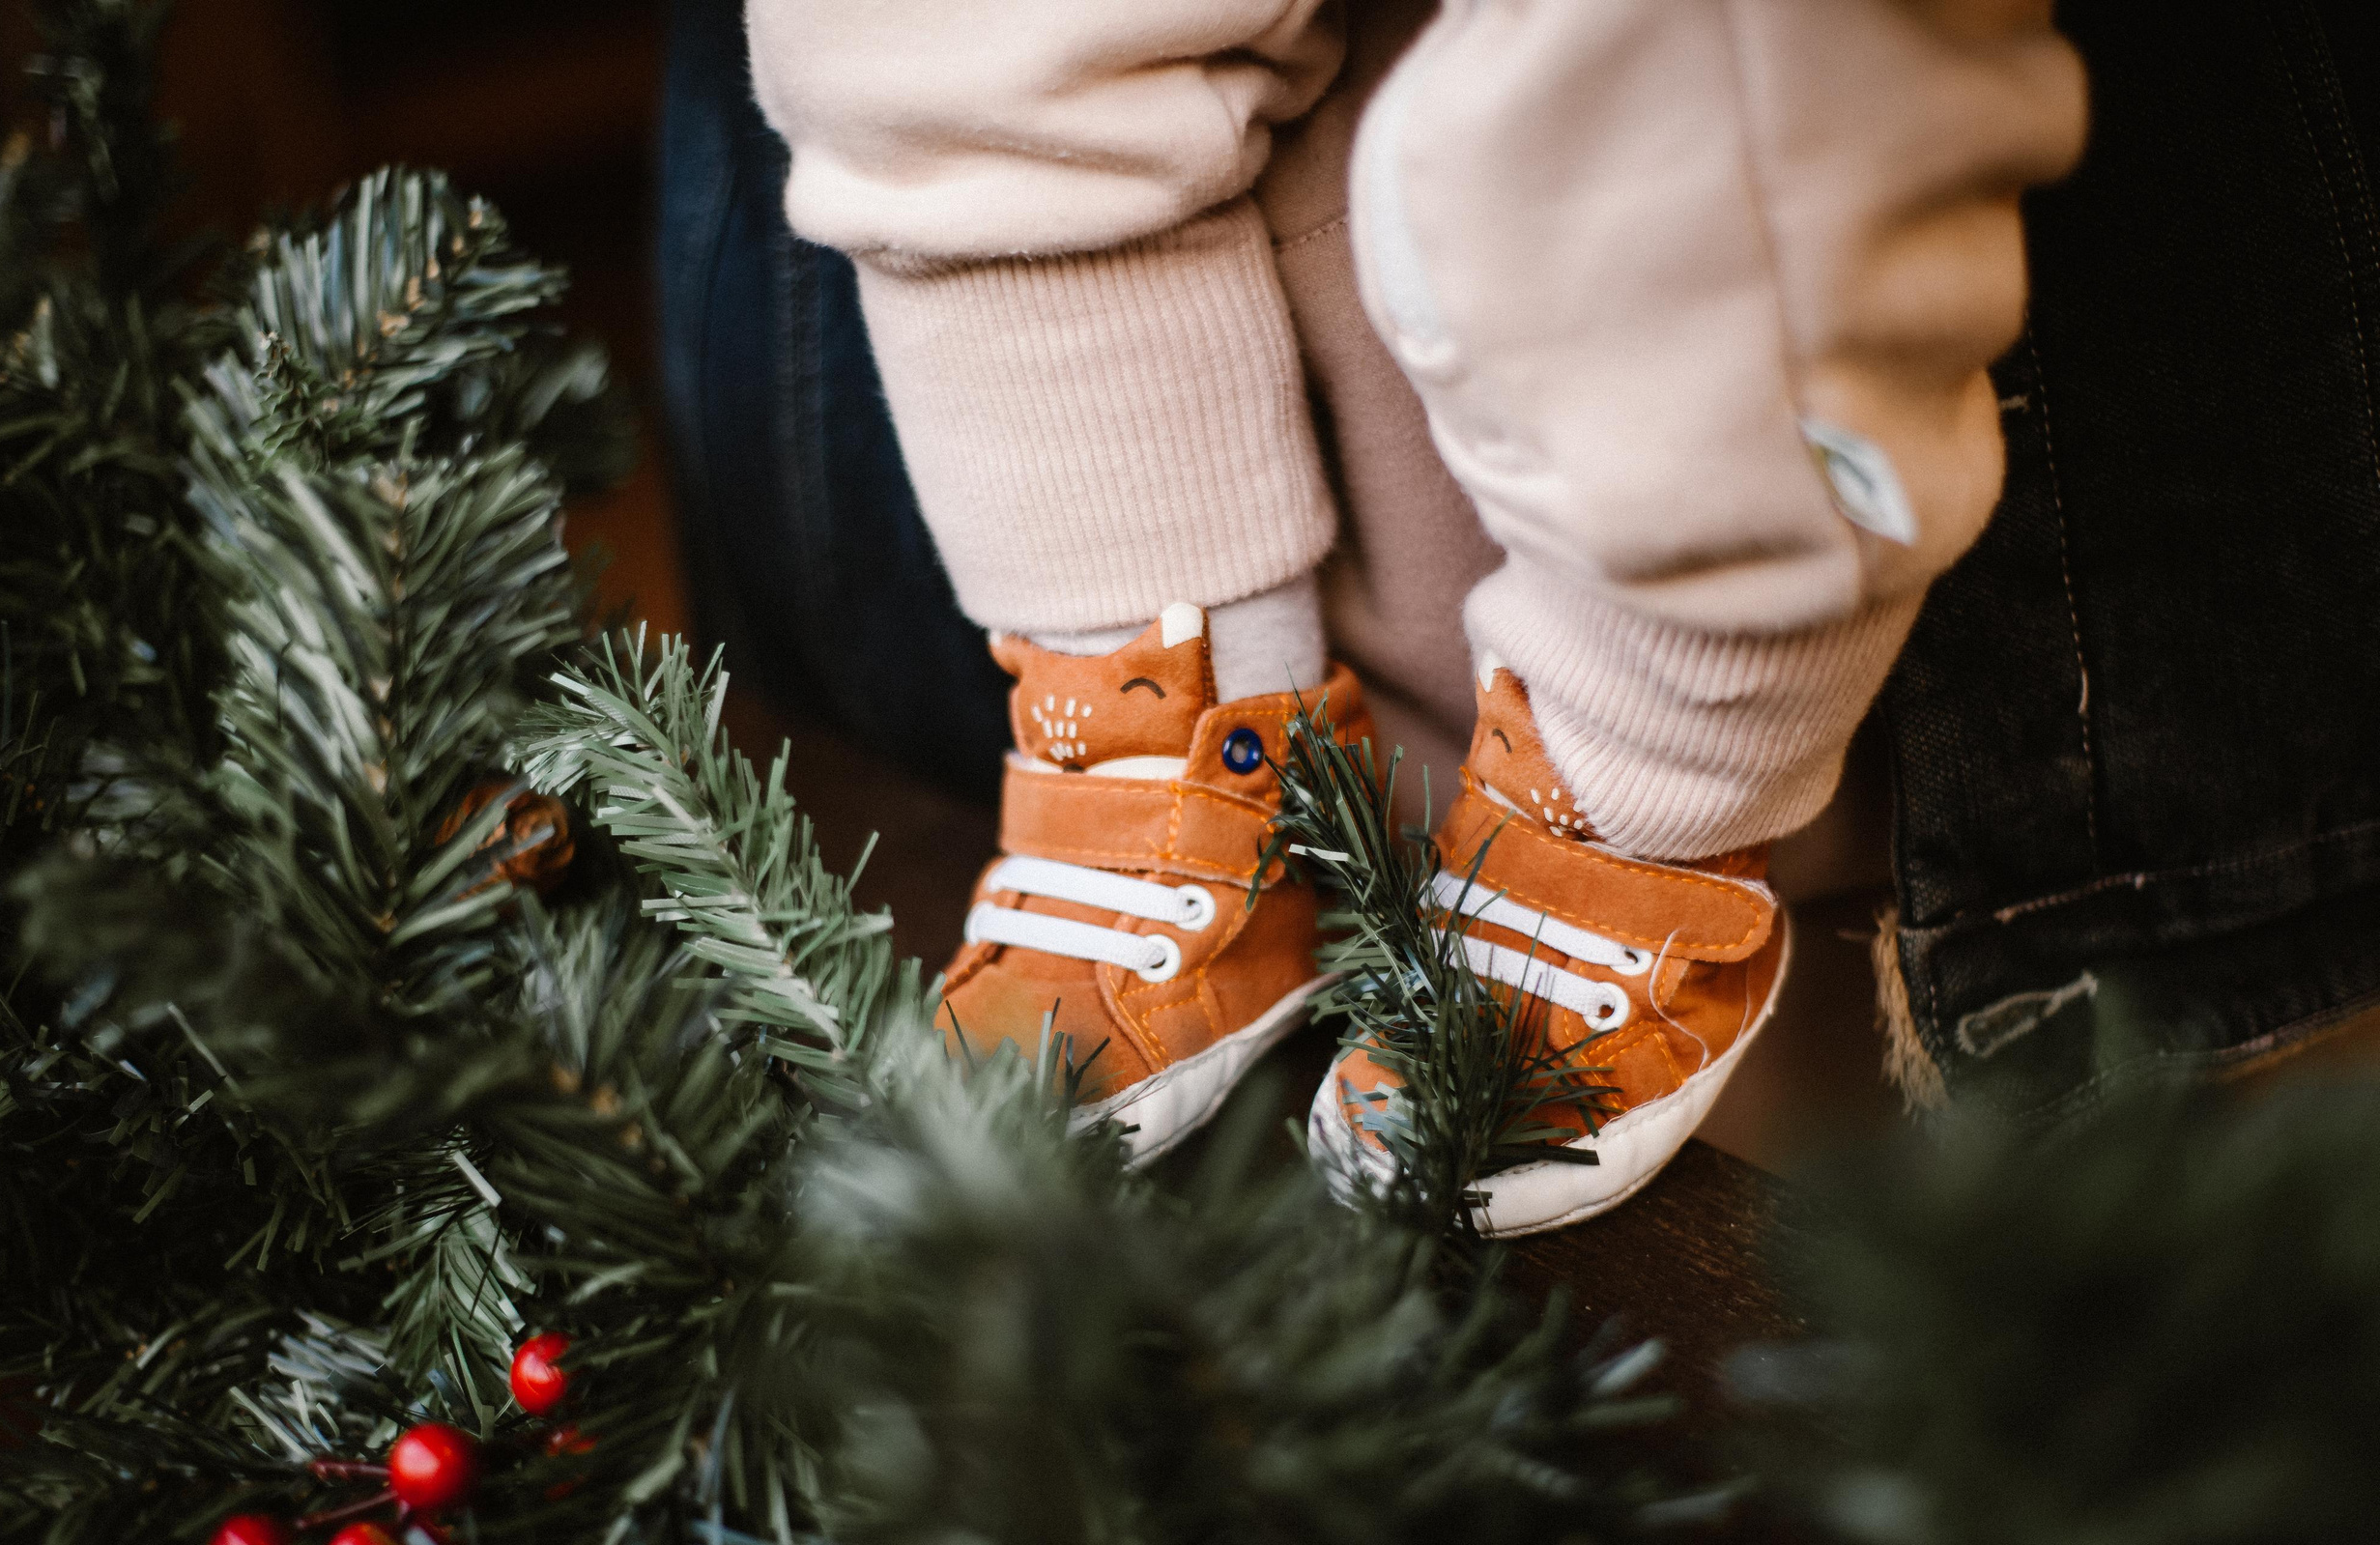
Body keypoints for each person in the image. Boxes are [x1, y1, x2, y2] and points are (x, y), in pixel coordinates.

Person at [734, 0, 2088, 1232]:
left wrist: (1671, 734)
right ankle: (1169, 727)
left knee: (1706, 100)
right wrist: (1132, 629)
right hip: (1187, 444)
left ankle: (1638, 793)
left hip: (1693, 555)